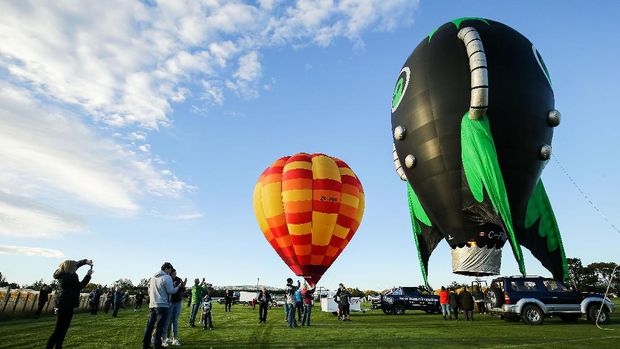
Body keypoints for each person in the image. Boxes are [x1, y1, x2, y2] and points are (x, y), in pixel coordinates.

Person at [46, 259, 93, 349]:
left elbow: (75, 265)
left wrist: (85, 261)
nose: (76, 267)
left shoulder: (65, 274)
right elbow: (80, 285)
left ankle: (58, 346)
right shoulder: (69, 277)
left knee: (63, 328)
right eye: (75, 266)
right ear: (71, 268)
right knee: (59, 329)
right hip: (65, 305)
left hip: (65, 304)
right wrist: (88, 275)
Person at [142, 262, 185, 349]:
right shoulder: (167, 277)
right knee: (160, 326)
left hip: (153, 304)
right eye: (170, 269)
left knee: (150, 326)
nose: (170, 271)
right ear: (166, 268)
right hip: (162, 305)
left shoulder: (154, 277)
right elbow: (171, 291)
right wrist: (178, 287)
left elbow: (149, 290)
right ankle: (157, 345)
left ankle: (145, 345)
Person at [162, 269, 185, 346]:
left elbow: (183, 290)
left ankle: (174, 339)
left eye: (175, 274)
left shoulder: (178, 279)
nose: (175, 275)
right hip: (170, 302)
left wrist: (182, 285)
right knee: (167, 321)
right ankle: (165, 339)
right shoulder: (167, 279)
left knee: (175, 320)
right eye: (173, 274)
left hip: (178, 302)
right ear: (170, 274)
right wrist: (174, 286)